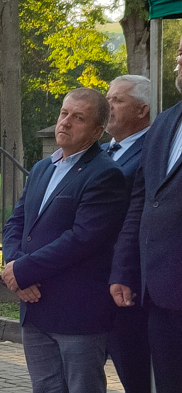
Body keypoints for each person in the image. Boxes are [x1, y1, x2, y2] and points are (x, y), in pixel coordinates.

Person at [2, 87, 127, 393]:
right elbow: (18, 221)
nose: (66, 122)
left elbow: (82, 239)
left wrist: (24, 271)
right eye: (64, 113)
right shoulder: (43, 167)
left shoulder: (105, 174)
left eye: (78, 118)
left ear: (97, 131)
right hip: (34, 306)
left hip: (77, 312)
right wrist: (13, 266)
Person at [110, 35, 182, 393]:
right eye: (180, 51)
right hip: (161, 294)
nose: (179, 58)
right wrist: (124, 270)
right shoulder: (165, 124)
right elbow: (141, 204)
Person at [103, 75, 152, 393]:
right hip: (94, 283)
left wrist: (124, 272)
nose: (108, 107)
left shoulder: (152, 151)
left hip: (128, 286)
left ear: (142, 110)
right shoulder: (101, 152)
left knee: (137, 376)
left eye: (118, 100)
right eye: (108, 99)